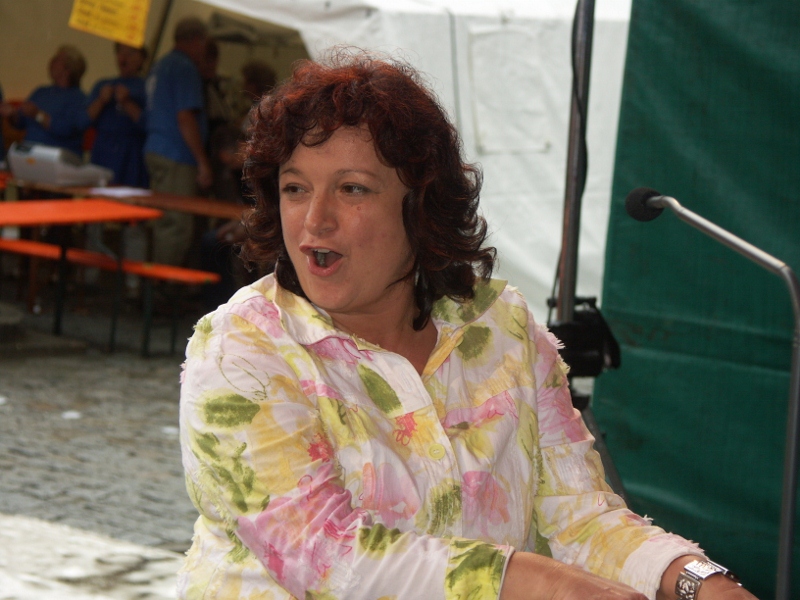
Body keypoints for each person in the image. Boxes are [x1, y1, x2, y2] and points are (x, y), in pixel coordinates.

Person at [178, 54, 757, 600]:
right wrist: (533, 580)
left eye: (352, 188)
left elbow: (580, 515)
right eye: (295, 187)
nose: (315, 218)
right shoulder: (240, 348)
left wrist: (697, 581)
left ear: (421, 205)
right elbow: (329, 560)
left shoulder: (499, 325)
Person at [143, 16, 212, 266]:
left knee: (162, 220)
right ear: (196, 40)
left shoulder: (160, 65)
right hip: (176, 154)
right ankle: (162, 290)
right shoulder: (184, 67)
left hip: (156, 148)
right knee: (176, 225)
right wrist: (202, 161)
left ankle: (153, 285)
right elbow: (185, 117)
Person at [0, 45, 89, 157]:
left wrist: (38, 115)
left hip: (57, 161)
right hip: (28, 156)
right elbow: (20, 122)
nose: (51, 62)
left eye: (56, 60)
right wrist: (12, 114)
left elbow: (68, 129)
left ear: (68, 69)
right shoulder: (41, 92)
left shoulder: (79, 99)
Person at [86, 43, 149, 187]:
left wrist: (127, 103)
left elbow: (149, 124)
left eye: (131, 53)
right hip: (103, 150)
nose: (124, 57)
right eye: (120, 52)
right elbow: (84, 120)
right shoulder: (103, 85)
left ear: (142, 59)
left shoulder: (145, 87)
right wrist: (101, 101)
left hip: (132, 155)